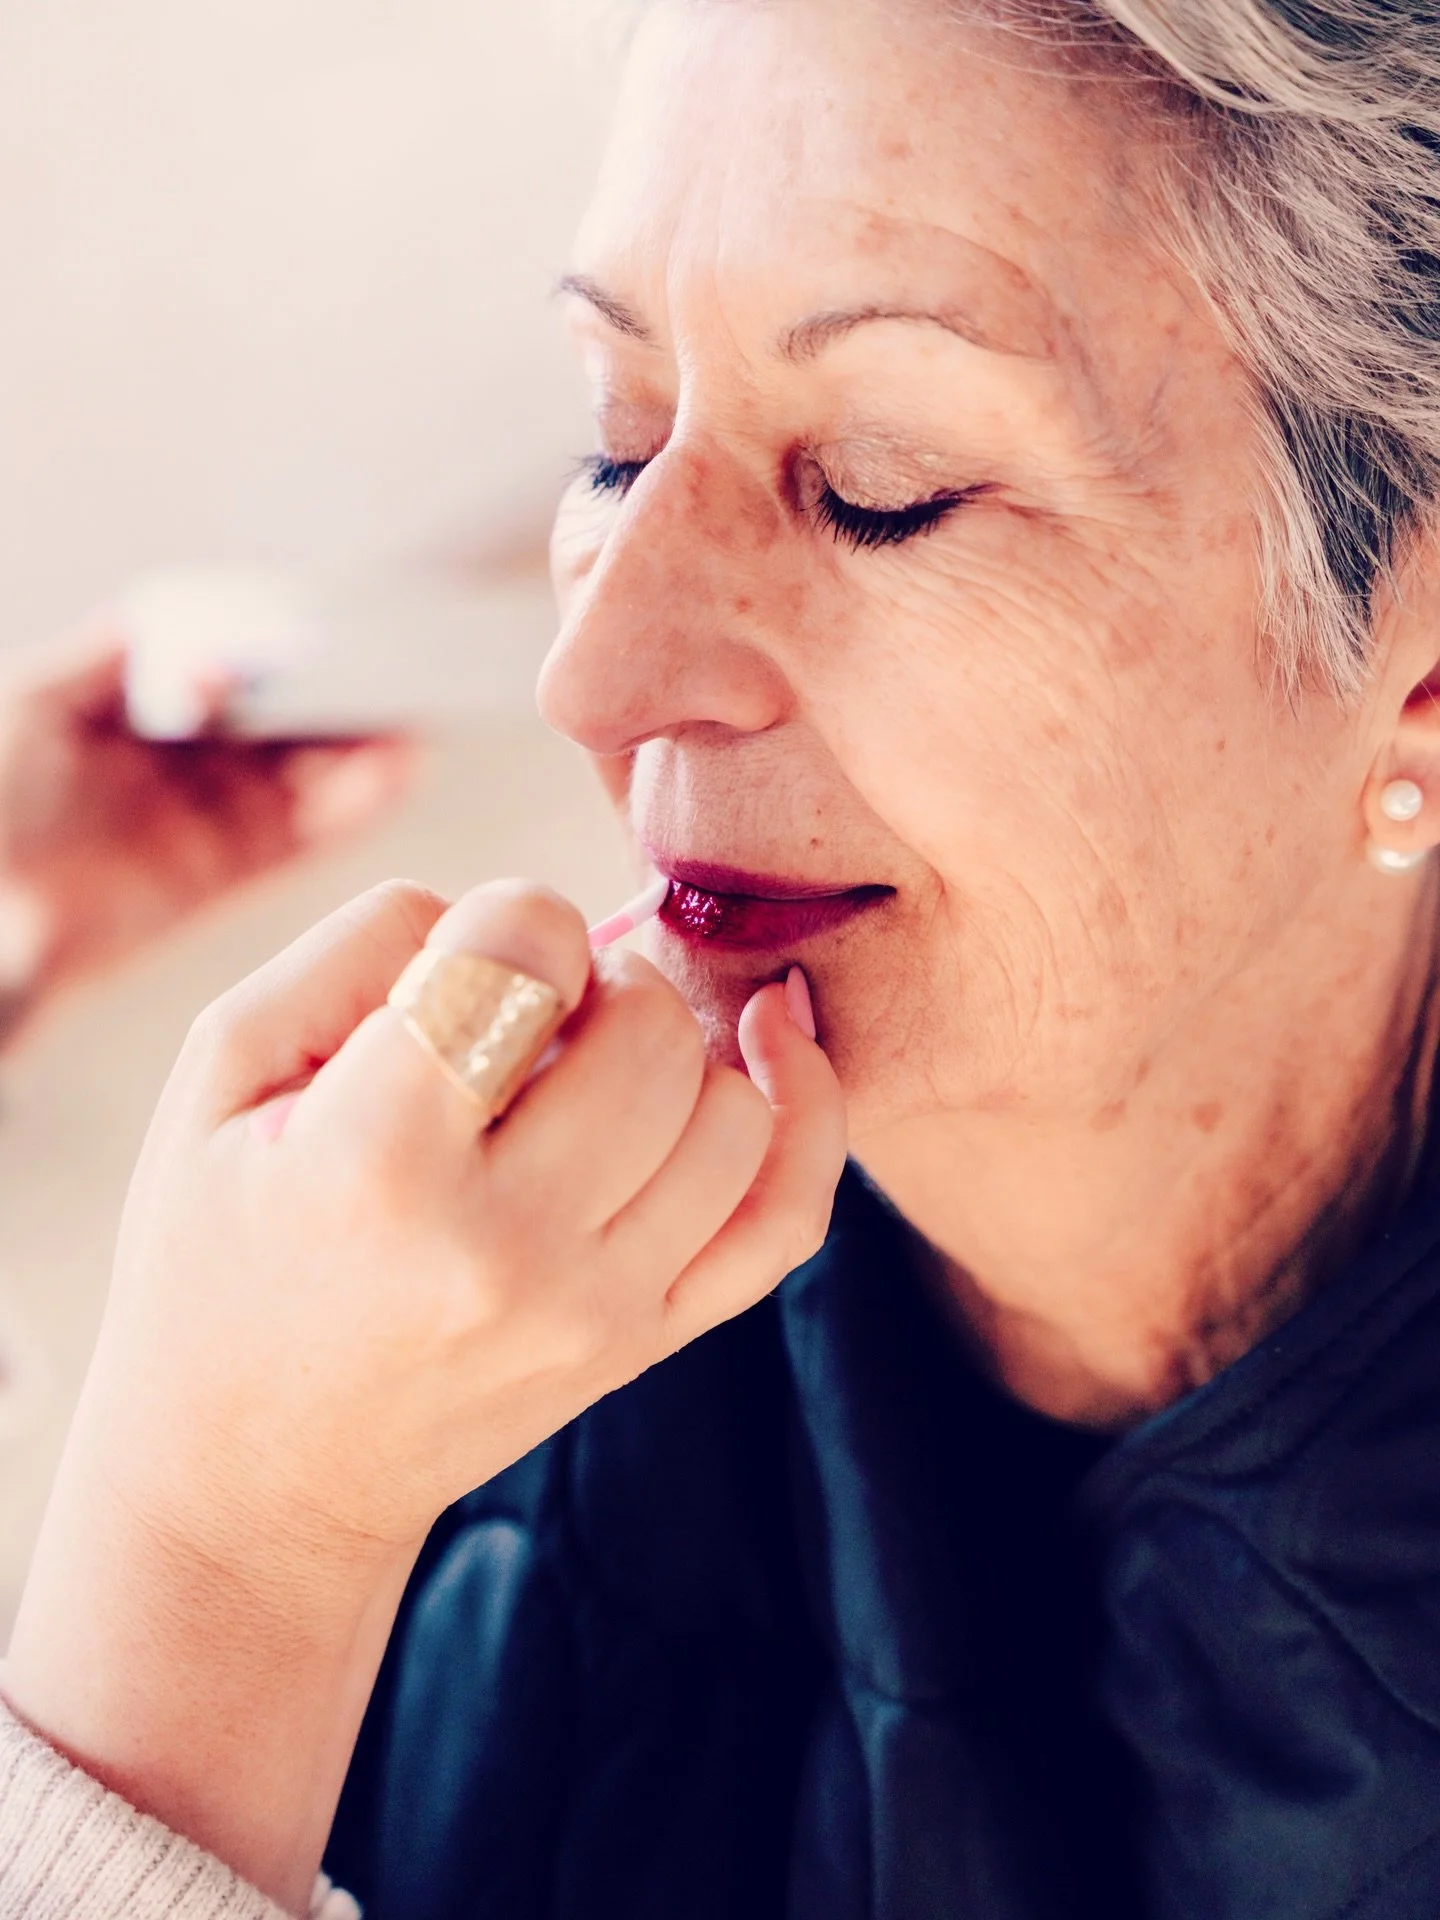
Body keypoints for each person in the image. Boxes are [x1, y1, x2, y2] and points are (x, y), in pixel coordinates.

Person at [5, 0, 1440, 1914]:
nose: (590, 677)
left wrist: (211, 1570)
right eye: (616, 440)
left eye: (881, 484)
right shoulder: (469, 1328)